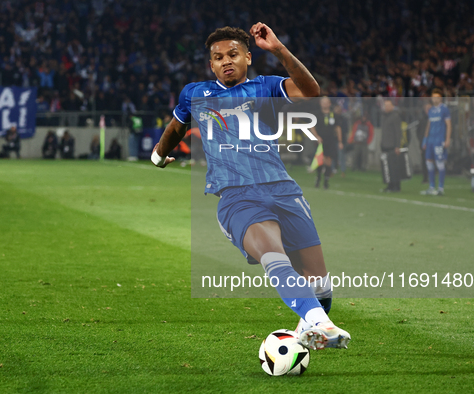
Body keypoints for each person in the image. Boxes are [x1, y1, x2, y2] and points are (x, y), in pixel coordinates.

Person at [151, 25, 350, 350]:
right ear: (211, 64)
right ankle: (319, 323)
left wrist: (280, 51)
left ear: (247, 56)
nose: (225, 61)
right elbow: (176, 127)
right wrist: (159, 155)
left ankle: (304, 332)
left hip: (284, 191)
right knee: (276, 259)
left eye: (232, 54)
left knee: (322, 286)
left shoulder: (266, 87)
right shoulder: (196, 93)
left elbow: (311, 92)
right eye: (217, 58)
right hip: (237, 195)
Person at [421, 89, 452, 196]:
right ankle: (431, 187)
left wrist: (447, 139)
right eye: (433, 97)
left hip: (439, 140)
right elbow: (428, 125)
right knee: (428, 162)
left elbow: (448, 125)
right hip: (430, 140)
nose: (435, 99)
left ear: (441, 98)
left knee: (439, 163)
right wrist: (425, 138)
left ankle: (441, 188)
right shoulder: (431, 110)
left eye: (437, 97)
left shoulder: (444, 109)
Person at [311, 97, 343, 189]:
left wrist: (340, 141)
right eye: (323, 102)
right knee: (320, 160)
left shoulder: (334, 115)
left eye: (326, 102)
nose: (325, 104)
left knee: (328, 160)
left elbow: (338, 128)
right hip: (320, 140)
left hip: (330, 140)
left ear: (329, 104)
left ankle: (326, 181)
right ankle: (318, 178)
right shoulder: (316, 115)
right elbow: (312, 127)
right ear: (320, 103)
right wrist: (317, 136)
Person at [380, 100, 403, 192]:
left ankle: (396, 186)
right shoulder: (384, 116)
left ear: (392, 106)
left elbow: (398, 132)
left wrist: (397, 146)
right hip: (385, 145)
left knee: (394, 168)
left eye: (388, 106)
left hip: (392, 146)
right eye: (385, 105)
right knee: (388, 168)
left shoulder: (395, 116)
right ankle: (390, 185)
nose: (386, 107)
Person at [416, 102, 433, 183]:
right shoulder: (422, 120)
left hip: (433, 143)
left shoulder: (434, 119)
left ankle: (432, 177)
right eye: (427, 108)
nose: (428, 110)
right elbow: (418, 132)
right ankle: (425, 177)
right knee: (424, 161)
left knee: (432, 161)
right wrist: (421, 141)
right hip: (424, 144)